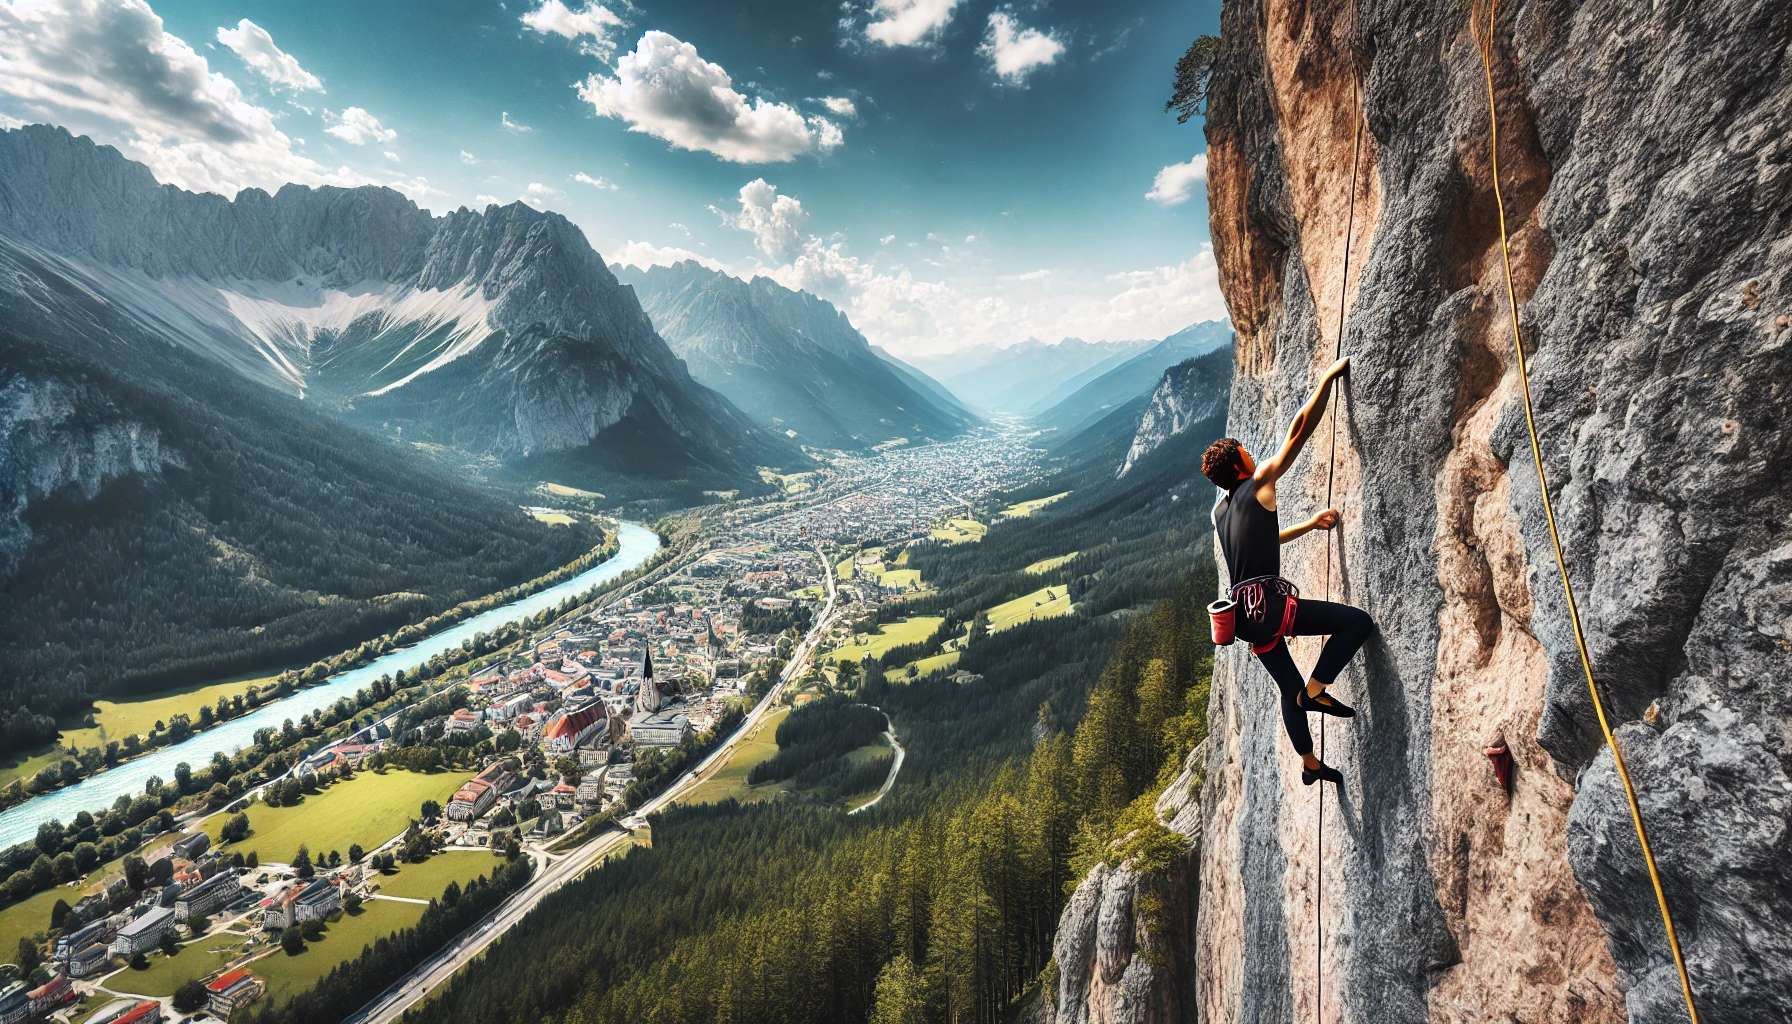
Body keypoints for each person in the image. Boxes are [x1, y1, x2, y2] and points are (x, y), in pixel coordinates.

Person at [1204, 356, 1373, 786]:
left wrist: (1310, 525)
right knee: (1357, 624)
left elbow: (1263, 543)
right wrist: (1325, 382)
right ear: (1240, 463)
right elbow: (1297, 429)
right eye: (1244, 449)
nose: (1251, 450)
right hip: (1272, 608)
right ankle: (1318, 688)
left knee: (1287, 689)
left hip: (1245, 620)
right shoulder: (1259, 481)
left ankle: (1310, 763)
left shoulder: (1218, 513)